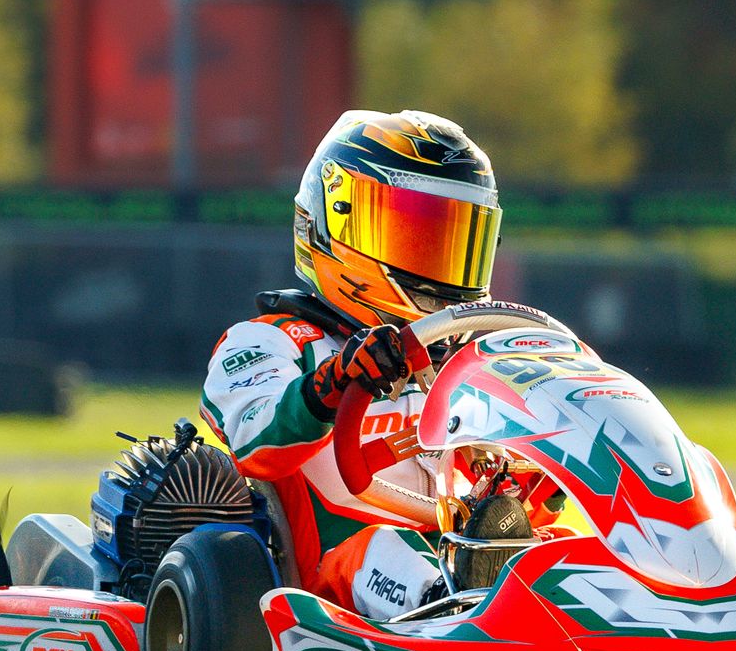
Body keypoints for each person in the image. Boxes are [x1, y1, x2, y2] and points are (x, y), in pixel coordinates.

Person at [199, 108, 509, 622]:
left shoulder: (470, 361)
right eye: (417, 238)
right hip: (335, 580)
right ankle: (451, 610)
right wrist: (335, 382)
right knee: (389, 548)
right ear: (335, 223)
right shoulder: (269, 341)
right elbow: (259, 445)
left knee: (561, 545)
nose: (437, 262)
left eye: (452, 241)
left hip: (463, 548)